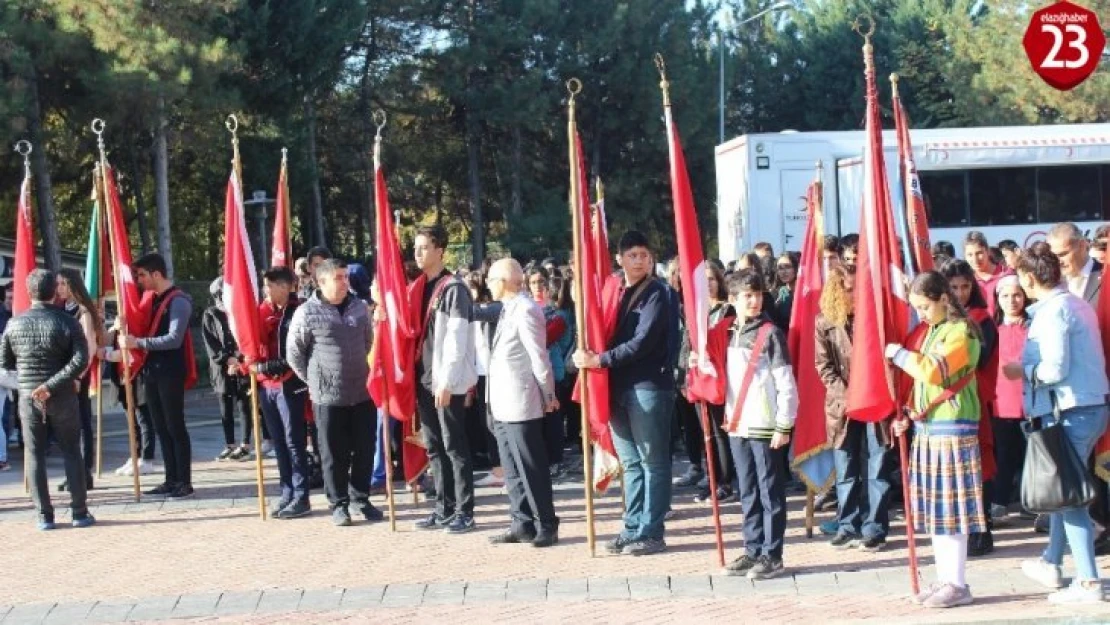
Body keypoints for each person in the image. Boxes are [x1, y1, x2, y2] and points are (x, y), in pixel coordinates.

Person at [1005, 243, 1108, 604]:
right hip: (1084, 407)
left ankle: (1088, 581)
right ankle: (1052, 561)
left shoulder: (1053, 312)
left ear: (1031, 278)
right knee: (1065, 491)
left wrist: (1022, 370)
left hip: (1069, 410)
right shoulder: (1073, 303)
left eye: (1020, 278)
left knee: (1069, 499)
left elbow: (1054, 369)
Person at [887, 270, 985, 609]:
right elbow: (923, 385)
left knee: (951, 510)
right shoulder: (933, 331)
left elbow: (934, 371)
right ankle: (946, 578)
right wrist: (909, 414)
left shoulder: (962, 331)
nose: (920, 314)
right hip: (931, 427)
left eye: (925, 306)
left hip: (954, 426)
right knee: (936, 510)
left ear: (944, 298)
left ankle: (957, 582)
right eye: (917, 307)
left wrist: (899, 355)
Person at [574, 230, 674, 556]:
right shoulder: (612, 291)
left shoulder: (658, 293)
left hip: (648, 387)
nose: (639, 260)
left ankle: (652, 532)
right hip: (616, 386)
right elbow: (598, 327)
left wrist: (599, 359)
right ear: (619, 259)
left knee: (653, 463)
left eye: (644, 255)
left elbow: (642, 343)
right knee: (630, 463)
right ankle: (631, 528)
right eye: (633, 255)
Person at [288, 258, 381, 526]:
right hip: (328, 397)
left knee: (365, 449)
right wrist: (315, 380)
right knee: (333, 453)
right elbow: (295, 354)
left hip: (362, 393)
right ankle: (338, 503)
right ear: (322, 281)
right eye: (338, 278)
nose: (344, 282)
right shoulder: (307, 312)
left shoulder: (359, 308)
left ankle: (361, 497)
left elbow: (368, 343)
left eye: (345, 277)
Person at [1, 269, 92, 529]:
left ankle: (44, 516)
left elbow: (5, 362)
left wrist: (35, 383)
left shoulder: (13, 324)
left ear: (29, 292)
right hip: (61, 395)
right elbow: (81, 360)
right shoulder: (67, 321)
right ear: (54, 291)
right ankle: (79, 513)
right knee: (72, 452)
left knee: (35, 454)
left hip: (29, 396)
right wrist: (51, 384)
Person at [484, 258, 560, 547]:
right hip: (502, 401)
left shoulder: (527, 309)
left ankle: (547, 523)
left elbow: (538, 356)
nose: (487, 285)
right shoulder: (507, 309)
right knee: (511, 468)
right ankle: (521, 521)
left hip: (521, 400)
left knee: (530, 465)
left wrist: (548, 394)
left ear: (503, 281)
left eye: (491, 279)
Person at [817, 264, 892, 552]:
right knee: (846, 467)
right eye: (849, 290)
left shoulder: (874, 319)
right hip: (843, 405)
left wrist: (869, 393)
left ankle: (875, 527)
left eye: (858, 289)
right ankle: (848, 524)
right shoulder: (824, 322)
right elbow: (824, 367)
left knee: (877, 465)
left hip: (875, 402)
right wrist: (850, 395)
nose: (855, 295)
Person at [409, 225, 478, 534]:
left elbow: (457, 338)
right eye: (416, 247)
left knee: (455, 446)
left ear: (440, 250)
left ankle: (465, 510)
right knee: (434, 446)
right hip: (422, 378)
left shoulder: (453, 289)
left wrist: (447, 382)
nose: (418, 253)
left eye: (424, 247)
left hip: (444, 380)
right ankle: (443, 507)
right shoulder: (417, 287)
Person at [121, 253, 197, 500]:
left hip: (170, 372)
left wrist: (138, 342)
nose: (139, 280)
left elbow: (173, 339)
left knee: (175, 426)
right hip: (152, 371)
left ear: (156, 274)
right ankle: (170, 479)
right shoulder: (150, 300)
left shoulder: (179, 301)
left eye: (142, 275)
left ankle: (184, 481)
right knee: (161, 427)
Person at [939, 258, 999, 556]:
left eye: (965, 286)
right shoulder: (940, 322)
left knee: (979, 468)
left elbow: (981, 361)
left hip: (973, 403)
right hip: (945, 408)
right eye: (953, 287)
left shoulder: (980, 319)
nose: (960, 293)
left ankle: (981, 530)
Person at [254, 266, 312, 519]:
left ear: (284, 287)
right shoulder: (263, 312)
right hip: (267, 385)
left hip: (290, 383)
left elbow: (300, 350)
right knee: (278, 441)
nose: (266, 291)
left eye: (270, 286)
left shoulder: (300, 311)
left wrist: (269, 366)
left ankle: (301, 495)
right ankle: (286, 491)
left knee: (294, 442)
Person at [55, 268, 104, 492]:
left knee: (81, 424)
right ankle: (74, 474)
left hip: (77, 375)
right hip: (66, 373)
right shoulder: (64, 308)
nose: (59, 289)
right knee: (68, 426)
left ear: (72, 286)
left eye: (62, 284)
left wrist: (77, 375)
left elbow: (89, 347)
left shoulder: (83, 312)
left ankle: (84, 473)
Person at [202, 278, 255, 462]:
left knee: (244, 405)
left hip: (241, 365)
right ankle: (229, 444)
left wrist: (239, 359)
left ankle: (245, 444)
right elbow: (211, 343)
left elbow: (246, 337)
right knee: (225, 407)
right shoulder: (211, 314)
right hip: (222, 368)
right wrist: (227, 359)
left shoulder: (240, 311)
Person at [991, 275, 1028, 518]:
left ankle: (1033, 503)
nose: (1012, 300)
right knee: (1002, 456)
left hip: (1029, 403)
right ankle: (999, 502)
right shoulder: (992, 330)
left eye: (1017, 295)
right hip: (1000, 403)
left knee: (1032, 456)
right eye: (1005, 295)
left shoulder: (1035, 326)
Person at [963, 231, 1011, 317]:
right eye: (970, 255)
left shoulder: (1006, 274)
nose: (975, 259)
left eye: (979, 253)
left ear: (988, 251)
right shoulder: (966, 280)